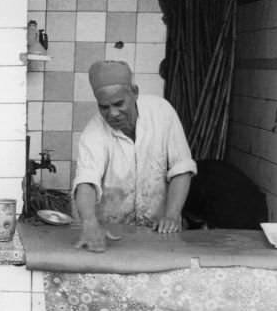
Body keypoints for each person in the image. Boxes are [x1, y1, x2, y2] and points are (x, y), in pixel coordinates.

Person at [72, 60, 197, 253]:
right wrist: (89, 223)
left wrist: (172, 216)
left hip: (161, 232)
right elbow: (86, 182)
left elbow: (181, 168)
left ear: (135, 92)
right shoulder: (94, 132)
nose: (112, 114)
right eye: (104, 107)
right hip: (112, 236)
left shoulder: (162, 112)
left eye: (118, 104)